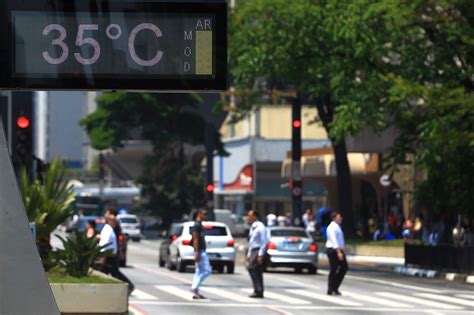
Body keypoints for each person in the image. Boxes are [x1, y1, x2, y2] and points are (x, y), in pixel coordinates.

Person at [102, 208, 135, 294]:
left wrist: (120, 251)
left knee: (113, 272)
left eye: (107, 213)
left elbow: (117, 239)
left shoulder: (112, 223)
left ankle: (129, 286)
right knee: (108, 272)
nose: (105, 215)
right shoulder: (112, 224)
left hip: (111, 252)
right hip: (113, 250)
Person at [190, 208, 212, 299]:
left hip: (200, 250)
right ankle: (194, 287)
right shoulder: (197, 225)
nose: (206, 216)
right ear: (199, 214)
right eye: (205, 214)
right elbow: (195, 239)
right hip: (200, 251)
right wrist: (196, 252)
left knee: (199, 271)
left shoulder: (199, 224)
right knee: (207, 270)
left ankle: (195, 290)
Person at [246, 210, 268, 298]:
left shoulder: (260, 226)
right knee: (256, 270)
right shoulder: (253, 227)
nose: (248, 218)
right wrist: (248, 254)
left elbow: (264, 241)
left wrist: (260, 255)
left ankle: (259, 290)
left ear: (254, 216)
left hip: (258, 250)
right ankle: (258, 290)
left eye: (250, 216)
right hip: (253, 250)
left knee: (251, 267)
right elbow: (251, 241)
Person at [326, 211, 348, 296]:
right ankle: (331, 288)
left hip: (338, 249)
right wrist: (339, 252)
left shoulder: (337, 227)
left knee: (344, 267)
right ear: (334, 218)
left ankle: (334, 287)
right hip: (333, 250)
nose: (341, 218)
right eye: (339, 217)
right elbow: (333, 240)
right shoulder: (332, 227)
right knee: (334, 269)